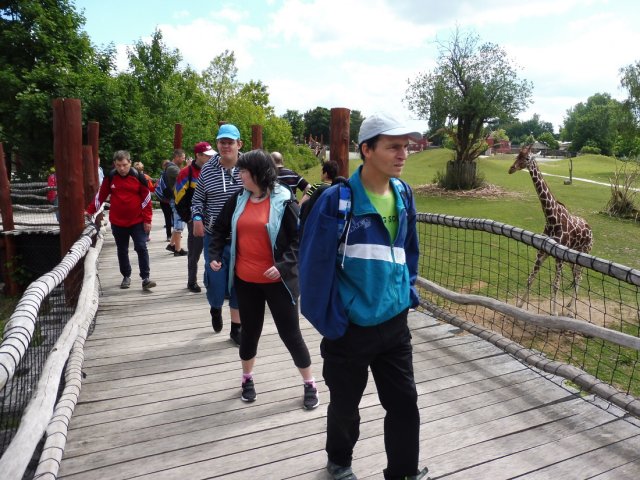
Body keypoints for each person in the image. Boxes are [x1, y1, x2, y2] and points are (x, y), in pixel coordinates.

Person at [299, 113, 429, 480]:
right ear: (366, 150)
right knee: (345, 407)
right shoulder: (337, 201)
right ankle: (339, 462)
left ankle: (403, 473)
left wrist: (406, 291)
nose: (403, 154)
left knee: (404, 404)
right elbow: (312, 269)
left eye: (405, 147)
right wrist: (335, 322)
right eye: (393, 146)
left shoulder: (403, 194)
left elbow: (408, 251)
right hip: (349, 330)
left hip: (395, 324)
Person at [209, 149, 319, 409]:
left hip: (279, 283)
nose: (239, 175)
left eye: (243, 171)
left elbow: (299, 240)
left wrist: (283, 265)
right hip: (246, 281)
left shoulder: (284, 200)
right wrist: (215, 254)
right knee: (249, 334)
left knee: (290, 334)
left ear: (258, 174)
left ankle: (310, 383)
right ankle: (247, 379)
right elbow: (219, 228)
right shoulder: (239, 198)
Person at [191, 124, 244, 345]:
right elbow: (197, 200)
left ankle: (236, 328)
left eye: (230, 142)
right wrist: (197, 218)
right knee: (216, 280)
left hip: (243, 237)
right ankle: (215, 307)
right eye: (222, 142)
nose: (226, 146)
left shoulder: (248, 167)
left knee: (240, 282)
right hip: (214, 237)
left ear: (239, 144)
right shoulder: (208, 169)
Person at [86, 150, 156, 291]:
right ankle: (126, 276)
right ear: (115, 164)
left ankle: (145, 278)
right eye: (118, 165)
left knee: (141, 247)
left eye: (124, 165)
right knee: (122, 250)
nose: (122, 168)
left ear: (130, 162)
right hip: (118, 222)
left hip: (137, 221)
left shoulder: (139, 177)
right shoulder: (111, 177)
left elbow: (146, 200)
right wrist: (90, 211)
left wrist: (147, 220)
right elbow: (101, 196)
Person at [174, 142, 217, 293]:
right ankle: (191, 281)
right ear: (198, 155)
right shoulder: (186, 173)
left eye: (212, 155)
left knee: (215, 252)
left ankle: (216, 283)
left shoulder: (214, 170)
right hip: (196, 219)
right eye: (207, 155)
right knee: (194, 252)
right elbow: (178, 199)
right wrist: (189, 218)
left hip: (214, 219)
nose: (211, 158)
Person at [165, 149, 188, 256]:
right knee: (179, 223)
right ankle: (178, 250)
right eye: (183, 157)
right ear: (177, 157)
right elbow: (185, 175)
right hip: (176, 199)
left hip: (177, 198)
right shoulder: (172, 168)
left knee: (178, 223)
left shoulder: (173, 167)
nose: (184, 159)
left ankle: (172, 245)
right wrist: (189, 166)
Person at [157, 159, 174, 242]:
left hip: (164, 200)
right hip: (170, 199)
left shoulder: (161, 176)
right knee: (173, 217)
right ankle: (173, 234)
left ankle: (170, 235)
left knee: (168, 218)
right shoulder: (171, 175)